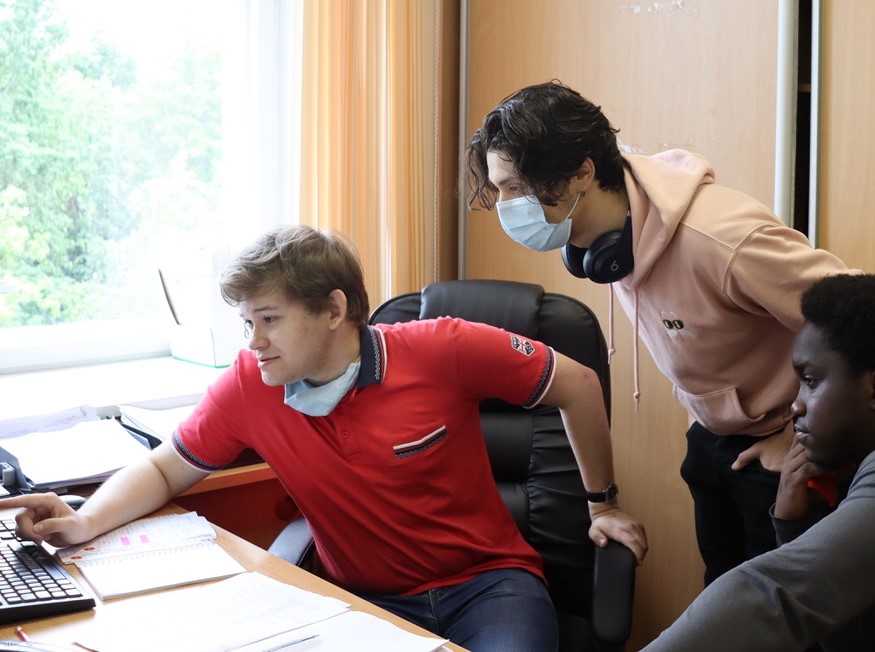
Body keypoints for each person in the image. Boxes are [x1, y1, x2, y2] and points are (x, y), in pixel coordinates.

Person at [4, 225, 648, 652]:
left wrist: (603, 503)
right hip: (363, 600)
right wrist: (85, 521)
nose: (252, 341)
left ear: (333, 310)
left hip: (489, 587)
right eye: (244, 322)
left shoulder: (441, 348)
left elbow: (579, 384)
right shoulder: (251, 383)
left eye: (269, 320)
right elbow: (170, 467)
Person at [463, 80, 851, 584]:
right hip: (712, 440)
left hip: (776, 453)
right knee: (724, 601)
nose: (505, 205)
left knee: (778, 619)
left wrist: (796, 436)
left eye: (516, 187)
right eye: (499, 189)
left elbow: (867, 317)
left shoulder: (720, 239)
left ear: (583, 170)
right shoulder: (604, 239)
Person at [640, 273, 875, 651]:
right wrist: (794, 527)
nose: (795, 405)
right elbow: (866, 644)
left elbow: (771, 596)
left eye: (811, 380)